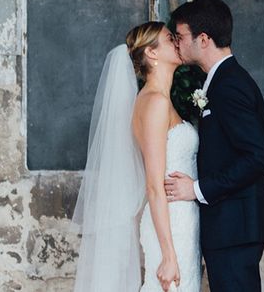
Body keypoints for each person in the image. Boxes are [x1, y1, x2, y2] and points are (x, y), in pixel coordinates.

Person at [72, 22, 201, 292]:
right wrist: (168, 254)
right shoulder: (154, 102)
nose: (177, 42)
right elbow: (154, 186)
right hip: (170, 225)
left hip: (182, 221)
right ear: (152, 54)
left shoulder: (160, 100)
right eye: (169, 39)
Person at [165, 0, 264, 292]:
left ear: (203, 39)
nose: (177, 43)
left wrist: (197, 189)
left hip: (234, 229)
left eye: (180, 37)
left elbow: (258, 156)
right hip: (228, 228)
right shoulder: (218, 80)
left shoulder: (230, 85)